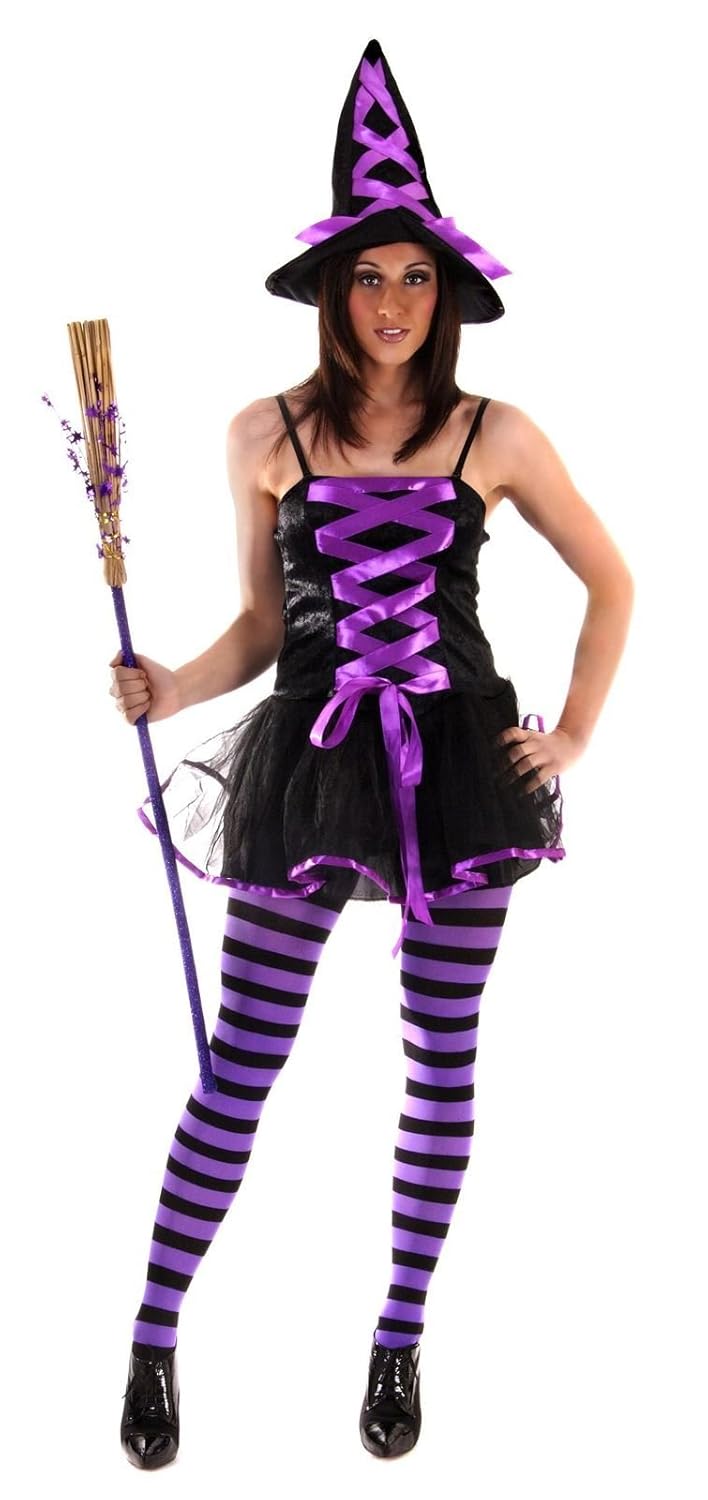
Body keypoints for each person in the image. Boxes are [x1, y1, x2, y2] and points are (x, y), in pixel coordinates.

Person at [111, 39, 633, 1467]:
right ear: (332, 290)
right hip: (315, 763)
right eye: (367, 277)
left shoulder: (493, 432)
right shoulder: (264, 433)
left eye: (415, 277)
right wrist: (172, 686)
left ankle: (398, 1339)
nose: (394, 303)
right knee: (242, 1064)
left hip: (462, 770)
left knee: (439, 1057)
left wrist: (572, 735)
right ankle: (152, 1337)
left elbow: (614, 581)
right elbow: (259, 627)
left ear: (445, 292)